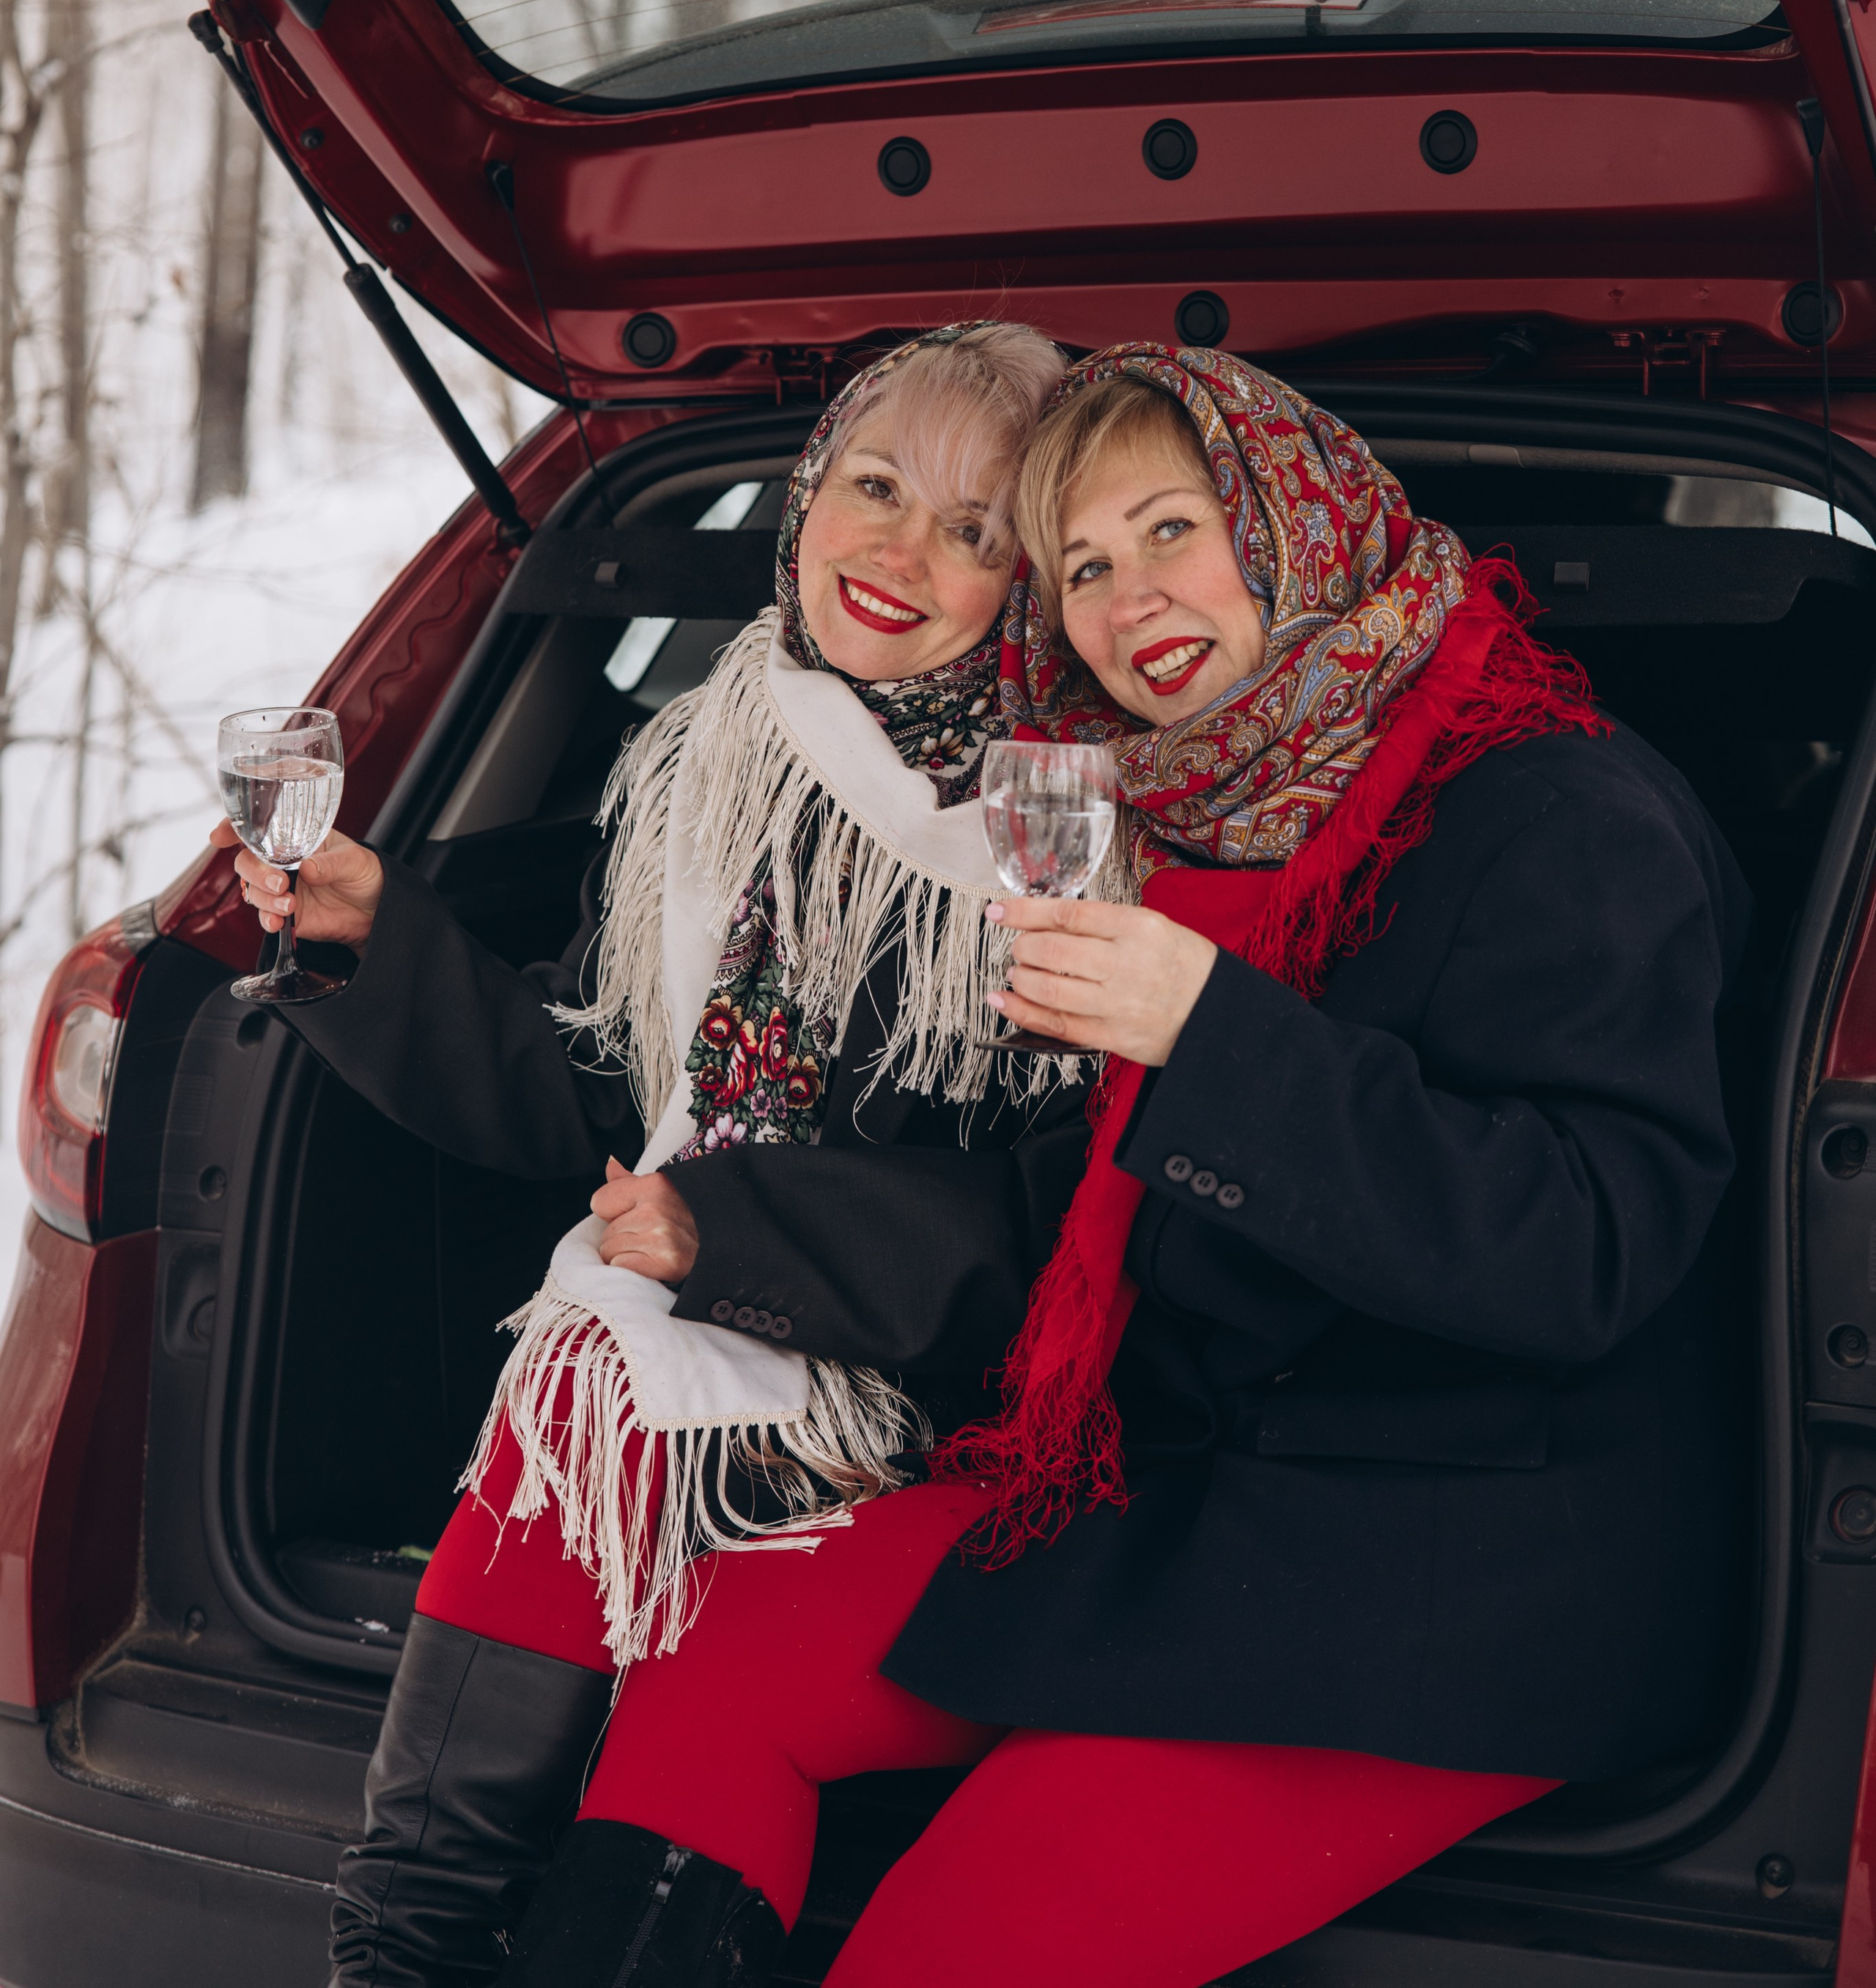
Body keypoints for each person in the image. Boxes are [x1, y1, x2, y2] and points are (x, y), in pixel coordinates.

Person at [485, 342, 1748, 1988]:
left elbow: (1583, 1249)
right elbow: (1083, 1219)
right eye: (1079, 562)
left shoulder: (1554, 809)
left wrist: (1210, 1033)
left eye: (1170, 529)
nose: (1121, 596)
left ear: (1293, 523)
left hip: (1448, 1578)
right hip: (1189, 1500)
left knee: (953, 1944)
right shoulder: (1197, 824)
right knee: (721, 1646)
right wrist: (727, 1229)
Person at [218, 321, 1099, 1988]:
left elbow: (1041, 1239)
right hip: (686, 1326)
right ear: (806, 493)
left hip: (914, 1385)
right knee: (600, 1367)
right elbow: (604, 1090)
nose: (901, 551)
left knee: (591, 1378)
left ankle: (400, 1941)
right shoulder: (712, 755)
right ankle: (409, 1934)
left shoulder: (1049, 837)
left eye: (976, 533)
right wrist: (371, 939)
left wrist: (730, 1237)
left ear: (1033, 585)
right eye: (874, 486)